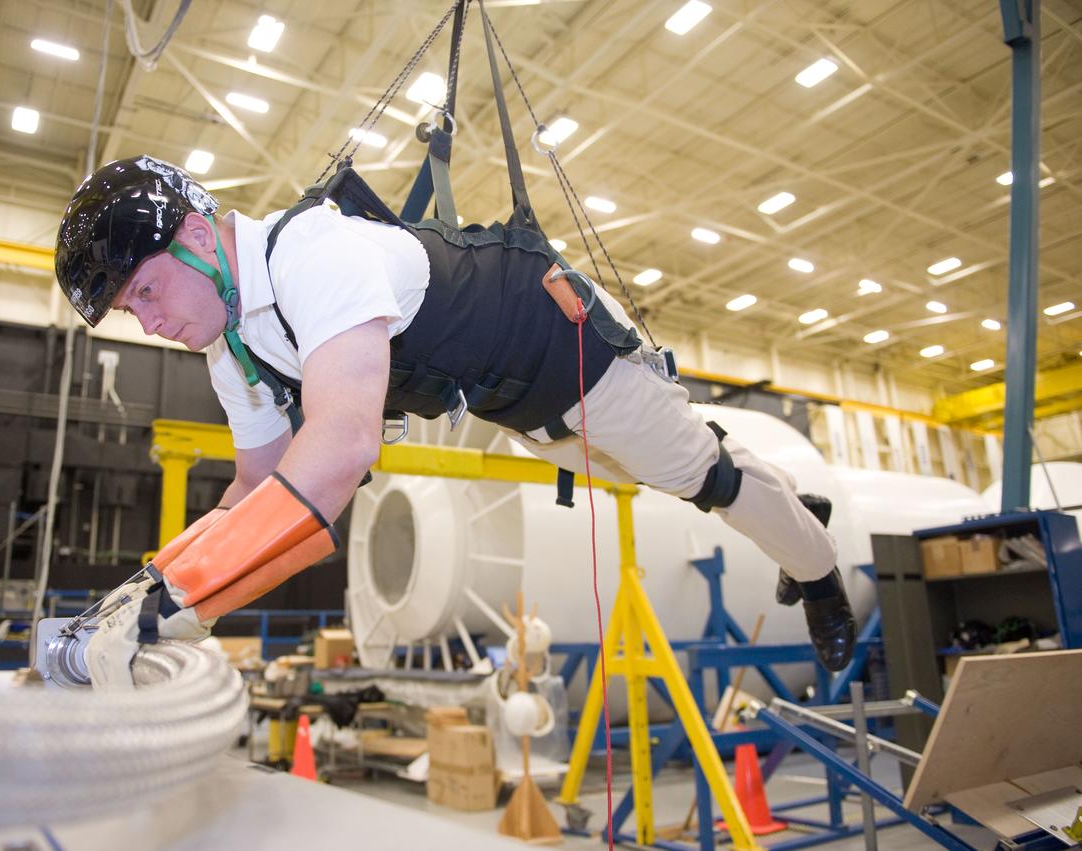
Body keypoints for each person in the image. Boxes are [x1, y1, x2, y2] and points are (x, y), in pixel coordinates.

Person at [56, 155, 855, 688]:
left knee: (696, 474)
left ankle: (816, 566)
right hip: (509, 399)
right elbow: (258, 486)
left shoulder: (312, 259)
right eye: (131, 311)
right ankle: (786, 502)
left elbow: (339, 447)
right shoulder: (233, 345)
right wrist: (148, 587)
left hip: (562, 345)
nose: (148, 321)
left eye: (146, 293)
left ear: (196, 236)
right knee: (636, 474)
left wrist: (184, 604)